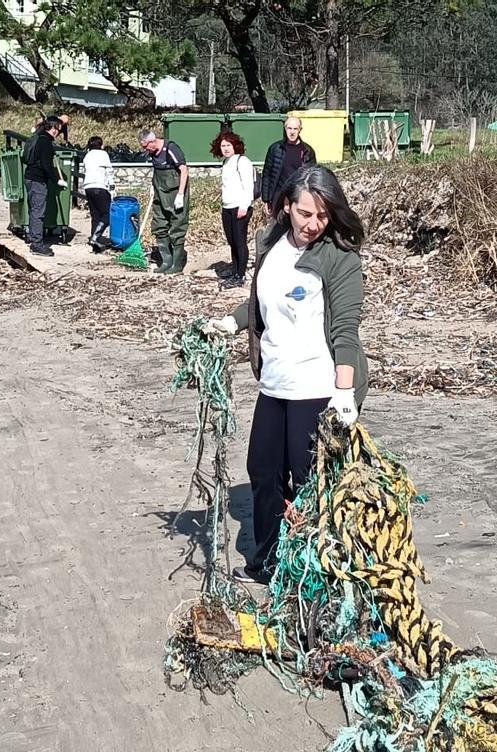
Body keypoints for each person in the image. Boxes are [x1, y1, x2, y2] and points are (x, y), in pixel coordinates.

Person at [203, 164, 367, 586]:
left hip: (317, 386)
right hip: (274, 381)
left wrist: (344, 393)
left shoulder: (340, 257)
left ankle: (316, 572)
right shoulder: (271, 243)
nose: (313, 224)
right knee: (262, 471)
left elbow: (346, 330)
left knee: (311, 482)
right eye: (305, 213)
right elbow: (262, 302)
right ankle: (269, 561)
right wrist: (231, 322)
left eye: (323, 216)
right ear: (286, 206)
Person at [138, 128, 190, 274]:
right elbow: (157, 172)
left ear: (152, 142)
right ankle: (166, 261)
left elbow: (184, 170)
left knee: (177, 227)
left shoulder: (171, 149)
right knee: (159, 225)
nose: (145, 150)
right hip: (160, 193)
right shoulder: (152, 153)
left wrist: (180, 194)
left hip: (175, 193)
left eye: (145, 146)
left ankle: (177, 264)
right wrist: (152, 187)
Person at [211, 130, 256, 287]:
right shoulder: (226, 162)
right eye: (223, 146)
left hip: (240, 206)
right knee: (231, 240)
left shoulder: (242, 161)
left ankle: (241, 275)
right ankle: (235, 270)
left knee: (239, 240)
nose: (225, 148)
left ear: (235, 145)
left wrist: (244, 206)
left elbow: (248, 186)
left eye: (228, 145)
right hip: (227, 206)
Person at [24, 116, 67, 257]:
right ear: (53, 128)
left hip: (30, 177)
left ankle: (33, 237)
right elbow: (46, 165)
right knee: (38, 211)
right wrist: (57, 180)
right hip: (38, 180)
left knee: (34, 209)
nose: (59, 132)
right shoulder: (45, 142)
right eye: (58, 129)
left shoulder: (38, 138)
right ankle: (37, 244)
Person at [260, 116, 316, 216]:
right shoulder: (275, 148)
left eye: (295, 129)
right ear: (285, 129)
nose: (292, 132)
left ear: (300, 130)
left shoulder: (307, 151)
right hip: (277, 197)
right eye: (289, 128)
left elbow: (312, 178)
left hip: (298, 196)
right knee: (277, 227)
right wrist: (266, 199)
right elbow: (267, 174)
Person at [81, 136, 114, 252]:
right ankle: (96, 236)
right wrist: (112, 185)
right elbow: (109, 170)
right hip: (99, 186)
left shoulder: (87, 156)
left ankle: (94, 240)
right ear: (100, 144)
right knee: (107, 214)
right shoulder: (103, 154)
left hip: (88, 187)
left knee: (95, 215)